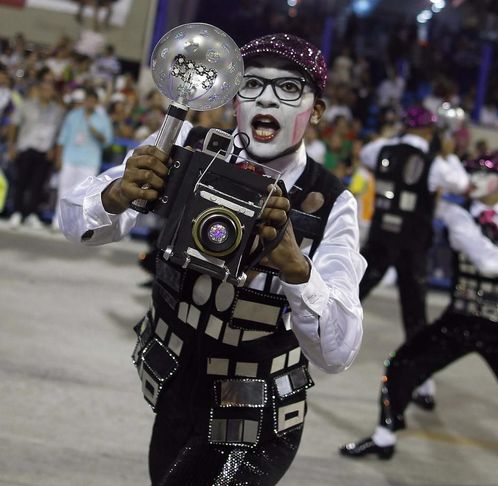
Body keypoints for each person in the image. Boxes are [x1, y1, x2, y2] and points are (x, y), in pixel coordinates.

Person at [59, 33, 366, 485]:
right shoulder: (184, 145)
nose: (267, 100)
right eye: (252, 84)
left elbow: (339, 351)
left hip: (255, 412)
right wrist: (117, 193)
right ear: (233, 96)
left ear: (316, 110)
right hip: (173, 390)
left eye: (288, 89)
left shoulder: (331, 201)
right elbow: (75, 222)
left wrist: (297, 268)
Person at [340, 155, 498, 486]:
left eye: (485, 174)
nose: (476, 180)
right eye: (473, 173)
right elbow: (486, 259)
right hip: (462, 318)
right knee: (402, 365)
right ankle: (385, 436)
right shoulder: (459, 215)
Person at [358, 105, 469, 409]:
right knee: (415, 315)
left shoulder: (382, 148)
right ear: (430, 131)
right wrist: (448, 154)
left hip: (381, 236)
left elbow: (366, 155)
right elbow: (461, 184)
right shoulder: (434, 162)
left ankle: (306, 346)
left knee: (352, 293)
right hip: (412, 243)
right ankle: (423, 382)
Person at [7, 76, 64, 229]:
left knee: (38, 185)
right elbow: (14, 125)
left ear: (53, 93)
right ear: (38, 91)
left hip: (45, 151)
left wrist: (54, 149)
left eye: (50, 90)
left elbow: (58, 133)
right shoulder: (26, 105)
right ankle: (17, 213)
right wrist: (11, 146)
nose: (47, 92)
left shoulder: (57, 111)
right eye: (44, 89)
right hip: (26, 148)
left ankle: (32, 214)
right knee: (20, 182)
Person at [53, 87, 113, 230]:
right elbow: (62, 137)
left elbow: (107, 141)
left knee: (84, 195)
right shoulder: (73, 115)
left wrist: (97, 133)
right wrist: (59, 157)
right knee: (64, 191)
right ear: (85, 101)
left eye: (93, 101)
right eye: (88, 100)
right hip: (69, 158)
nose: (89, 103)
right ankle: (57, 222)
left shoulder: (102, 119)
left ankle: (75, 225)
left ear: (96, 102)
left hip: (89, 162)